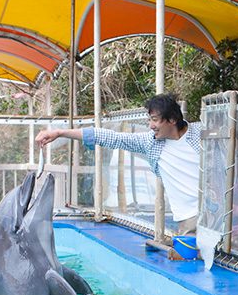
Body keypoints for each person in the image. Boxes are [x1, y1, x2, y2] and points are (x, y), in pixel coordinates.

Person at [35, 94, 200, 234]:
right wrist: (60, 132)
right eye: (149, 120)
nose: (151, 126)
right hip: (188, 218)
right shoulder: (151, 142)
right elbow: (110, 137)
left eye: (155, 120)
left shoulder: (202, 133)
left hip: (217, 213)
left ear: (172, 119)